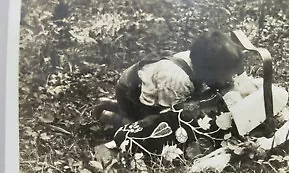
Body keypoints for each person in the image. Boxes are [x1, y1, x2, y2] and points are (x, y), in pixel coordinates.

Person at [94, 31, 246, 130]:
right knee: (148, 128)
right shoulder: (178, 80)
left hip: (149, 88)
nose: (228, 79)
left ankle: (118, 107)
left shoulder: (198, 62)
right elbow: (169, 115)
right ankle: (113, 116)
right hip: (131, 93)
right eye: (224, 75)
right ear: (208, 71)